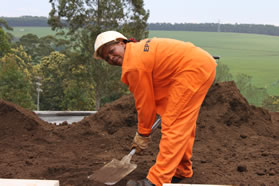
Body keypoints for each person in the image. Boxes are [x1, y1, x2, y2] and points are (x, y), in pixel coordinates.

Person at [93, 30, 217, 186]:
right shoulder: (137, 51)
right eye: (107, 58)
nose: (111, 58)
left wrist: (143, 134)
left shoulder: (133, 65)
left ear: (121, 43)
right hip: (196, 65)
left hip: (192, 69)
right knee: (179, 123)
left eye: (111, 51)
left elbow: (145, 104)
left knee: (174, 125)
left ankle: (157, 180)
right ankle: (181, 169)